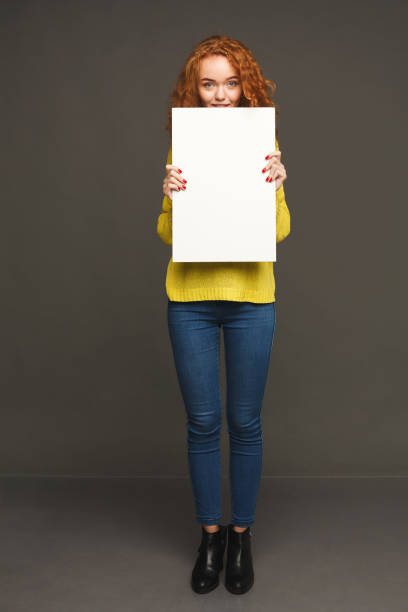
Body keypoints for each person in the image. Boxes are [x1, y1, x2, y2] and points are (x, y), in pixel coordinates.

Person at [157, 34, 290, 595]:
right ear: (196, 89)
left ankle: (242, 535)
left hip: (251, 299)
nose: (219, 94)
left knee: (245, 423)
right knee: (203, 425)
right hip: (189, 299)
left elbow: (278, 232)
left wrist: (279, 188)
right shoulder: (181, 144)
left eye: (230, 83)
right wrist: (168, 194)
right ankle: (210, 535)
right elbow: (167, 233)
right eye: (208, 83)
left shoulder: (266, 142)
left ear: (245, 88)